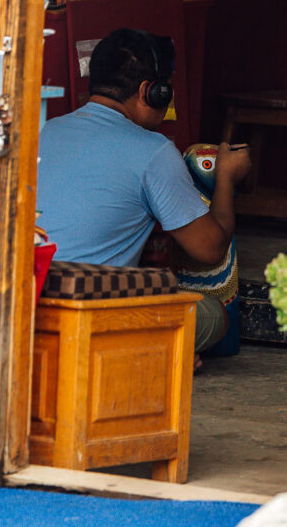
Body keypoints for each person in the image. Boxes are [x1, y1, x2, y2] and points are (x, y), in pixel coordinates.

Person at [36, 27, 251, 358]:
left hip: (35, 307)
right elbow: (210, 249)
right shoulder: (153, 152)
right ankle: (145, 350)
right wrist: (226, 177)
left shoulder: (48, 130)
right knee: (214, 315)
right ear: (151, 92)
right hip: (92, 316)